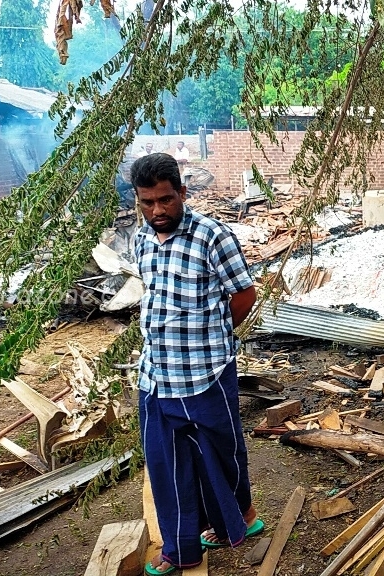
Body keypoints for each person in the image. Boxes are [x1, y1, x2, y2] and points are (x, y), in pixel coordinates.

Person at [131, 153, 261, 575]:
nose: (157, 210)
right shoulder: (141, 240)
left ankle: (237, 518)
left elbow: (244, 295)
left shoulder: (211, 237)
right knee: (167, 467)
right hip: (155, 376)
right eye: (147, 202)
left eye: (166, 200)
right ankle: (180, 549)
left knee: (222, 454)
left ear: (182, 193)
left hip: (205, 374)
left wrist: (215, 340)